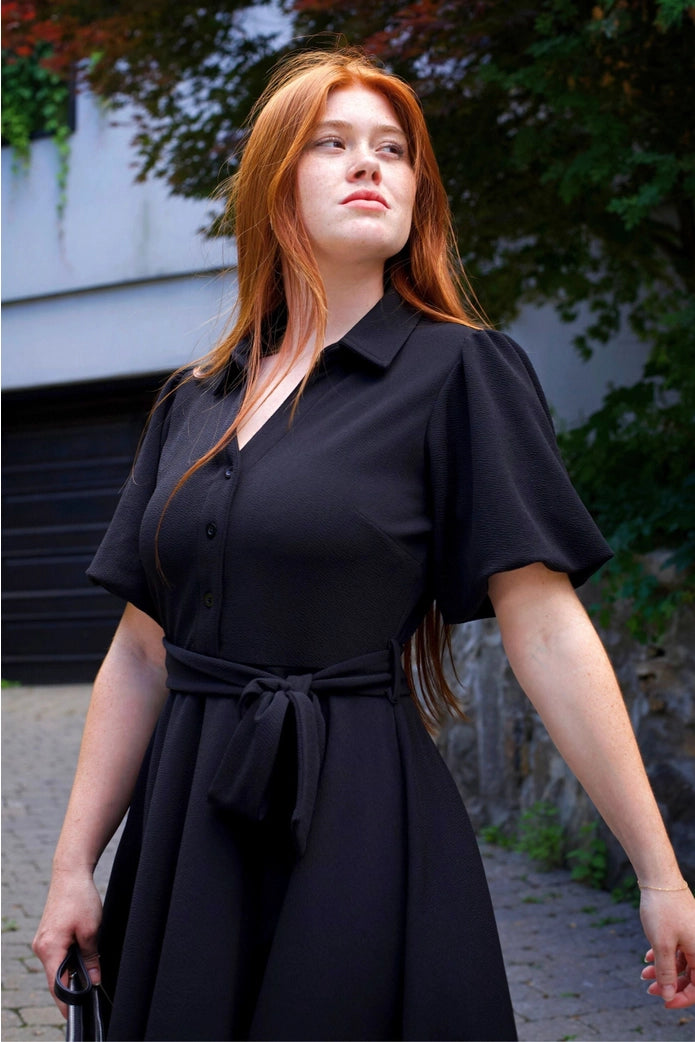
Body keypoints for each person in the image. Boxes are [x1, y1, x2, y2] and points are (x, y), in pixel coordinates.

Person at [34, 46, 695, 1042]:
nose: (370, 164)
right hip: (185, 833)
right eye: (332, 143)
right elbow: (138, 652)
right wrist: (72, 867)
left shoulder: (457, 371)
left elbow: (545, 626)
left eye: (393, 149)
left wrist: (656, 871)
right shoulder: (194, 399)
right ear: (272, 184)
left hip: (351, 822)